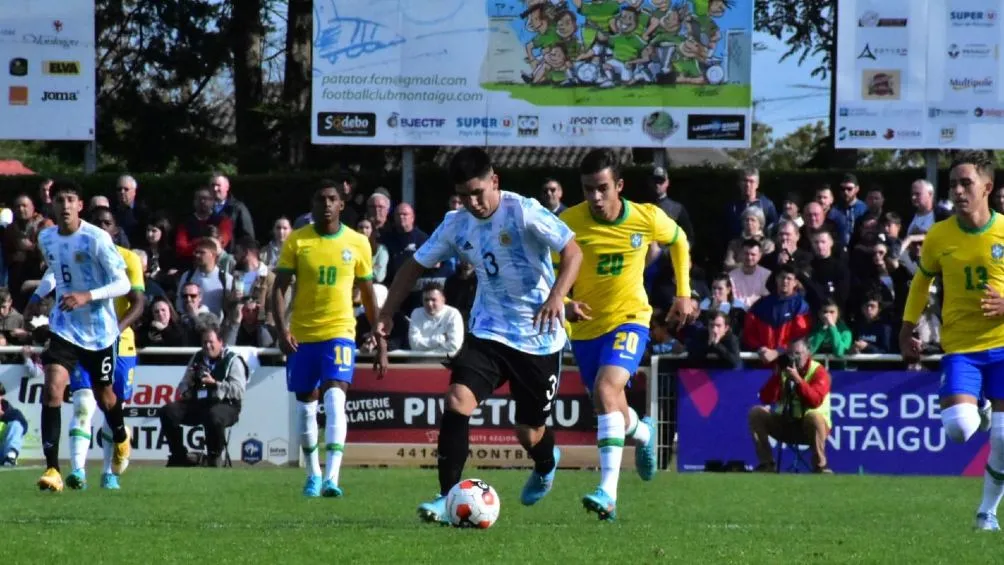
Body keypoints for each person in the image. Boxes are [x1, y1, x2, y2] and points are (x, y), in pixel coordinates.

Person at [377, 147, 583, 524]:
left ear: (495, 182)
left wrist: (557, 298)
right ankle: (445, 497)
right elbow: (413, 266)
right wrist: (386, 314)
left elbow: (572, 251)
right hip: (488, 332)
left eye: (478, 193)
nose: (473, 203)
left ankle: (545, 462)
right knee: (457, 399)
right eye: (464, 195)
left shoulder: (522, 210)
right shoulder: (456, 224)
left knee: (529, 433)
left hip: (537, 338)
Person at [559, 148, 695, 521]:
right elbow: (544, 269)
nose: (596, 198)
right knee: (608, 403)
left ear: (619, 185)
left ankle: (608, 493)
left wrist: (683, 291)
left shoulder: (645, 216)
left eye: (603, 188)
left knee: (606, 390)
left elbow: (679, 240)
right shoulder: (568, 223)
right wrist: (564, 300)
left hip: (630, 318)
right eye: (588, 189)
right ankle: (643, 432)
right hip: (585, 328)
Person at [899, 151, 1004, 531]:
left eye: (966, 184)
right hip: (961, 348)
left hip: (1003, 346)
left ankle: (986, 513)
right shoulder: (940, 235)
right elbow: (921, 282)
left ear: (987, 187)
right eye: (953, 185)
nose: (958, 191)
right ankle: (984, 411)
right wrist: (906, 327)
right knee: (960, 427)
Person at [271, 182, 388, 498]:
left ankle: (332, 478)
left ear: (341, 205)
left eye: (332, 199)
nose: (326, 204)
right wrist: (282, 331)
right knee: (306, 407)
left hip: (340, 332)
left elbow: (367, 293)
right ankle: (313, 474)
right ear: (313, 203)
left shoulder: (358, 242)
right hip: (303, 335)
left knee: (336, 397)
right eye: (320, 198)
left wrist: (380, 340)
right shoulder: (298, 241)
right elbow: (278, 289)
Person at [26, 180, 133, 493]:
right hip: (65, 327)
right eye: (60, 200)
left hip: (100, 332)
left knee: (105, 396)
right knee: (52, 389)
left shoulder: (96, 238)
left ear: (80, 205)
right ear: (53, 206)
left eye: (71, 199)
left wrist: (88, 295)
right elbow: (57, 271)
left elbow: (122, 284)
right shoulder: (47, 237)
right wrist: (40, 294)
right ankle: (53, 469)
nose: (65, 206)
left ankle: (120, 434)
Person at [159, 323, 246, 467]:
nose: (207, 346)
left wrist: (215, 383)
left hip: (225, 405)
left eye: (211, 342)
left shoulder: (233, 360)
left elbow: (238, 390)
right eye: (204, 342)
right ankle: (179, 455)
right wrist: (187, 387)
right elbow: (183, 384)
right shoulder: (198, 357)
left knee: (213, 415)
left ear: (220, 342)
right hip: (199, 402)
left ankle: (214, 456)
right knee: (168, 411)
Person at [747, 338, 832, 473]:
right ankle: (766, 464)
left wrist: (798, 380)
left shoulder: (819, 372)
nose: (794, 358)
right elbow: (766, 397)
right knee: (756, 413)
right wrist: (777, 375)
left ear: (808, 353)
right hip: (786, 424)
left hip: (811, 429)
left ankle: (820, 466)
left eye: (798, 354)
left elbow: (815, 400)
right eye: (791, 354)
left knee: (814, 417)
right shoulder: (784, 370)